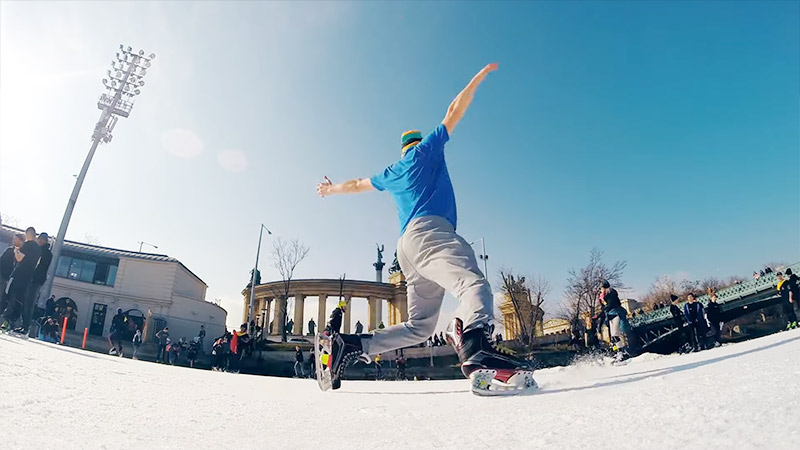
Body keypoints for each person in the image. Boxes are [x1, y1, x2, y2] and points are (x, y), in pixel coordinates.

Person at [314, 64, 533, 392]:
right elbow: (454, 110)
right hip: (431, 234)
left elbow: (358, 184)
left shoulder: (392, 171)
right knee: (473, 286)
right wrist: (476, 79)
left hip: (407, 250)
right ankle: (475, 345)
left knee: (419, 326)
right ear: (415, 145)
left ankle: (353, 345)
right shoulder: (426, 150)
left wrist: (330, 190)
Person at [1, 227, 41, 333]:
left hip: (18, 274)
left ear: (28, 234)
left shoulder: (27, 245)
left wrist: (16, 251)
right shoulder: (38, 249)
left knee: (9, 294)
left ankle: (7, 319)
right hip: (28, 277)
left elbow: (19, 258)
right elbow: (37, 263)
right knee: (20, 299)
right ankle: (13, 322)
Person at [599, 280, 640, 356]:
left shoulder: (611, 293)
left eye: (601, 288)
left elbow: (611, 304)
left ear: (604, 287)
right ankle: (618, 351)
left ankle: (621, 352)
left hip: (615, 314)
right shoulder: (603, 296)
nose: (600, 290)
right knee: (613, 336)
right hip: (611, 315)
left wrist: (605, 308)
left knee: (615, 335)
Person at [27, 232, 52, 330]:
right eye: (40, 239)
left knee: (30, 301)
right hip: (29, 277)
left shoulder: (47, 253)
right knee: (25, 300)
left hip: (36, 279)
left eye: (43, 240)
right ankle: (23, 323)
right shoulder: (34, 249)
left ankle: (26, 325)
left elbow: (42, 266)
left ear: (46, 241)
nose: (40, 241)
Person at [0, 234, 21, 320]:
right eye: (14, 239)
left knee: (3, 296)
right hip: (2, 274)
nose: (14, 241)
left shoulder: (20, 253)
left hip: (8, 277)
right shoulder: (9, 250)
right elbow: (1, 260)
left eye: (16, 239)